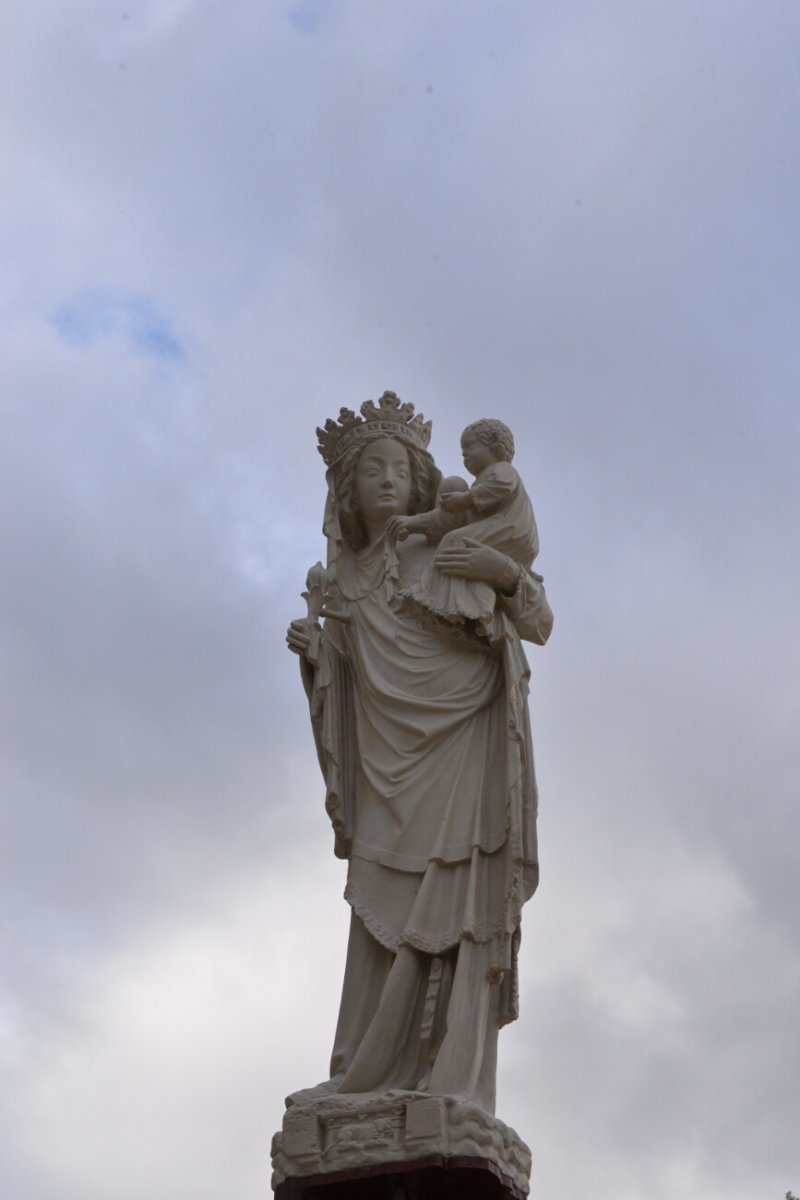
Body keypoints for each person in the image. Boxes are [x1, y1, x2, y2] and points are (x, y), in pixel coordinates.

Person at [286, 393, 552, 1114]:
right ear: (347, 489)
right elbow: (343, 685)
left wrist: (501, 576)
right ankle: (361, 1077)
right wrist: (318, 661)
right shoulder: (342, 581)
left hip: (464, 741)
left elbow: (536, 619)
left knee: (462, 907)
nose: (387, 481)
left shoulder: (441, 541)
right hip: (386, 770)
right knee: (378, 910)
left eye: (399, 467)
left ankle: (451, 1085)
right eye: (371, 469)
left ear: (421, 478)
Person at [387, 419, 539, 639]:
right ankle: (472, 610)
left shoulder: (502, 470)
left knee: (455, 543)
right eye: (462, 451)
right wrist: (415, 523)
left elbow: (501, 488)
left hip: (512, 529)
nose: (464, 456)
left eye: (469, 448)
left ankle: (455, 606)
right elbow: (453, 518)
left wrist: (465, 499)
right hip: (506, 530)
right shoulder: (483, 481)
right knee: (461, 551)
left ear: (494, 444)